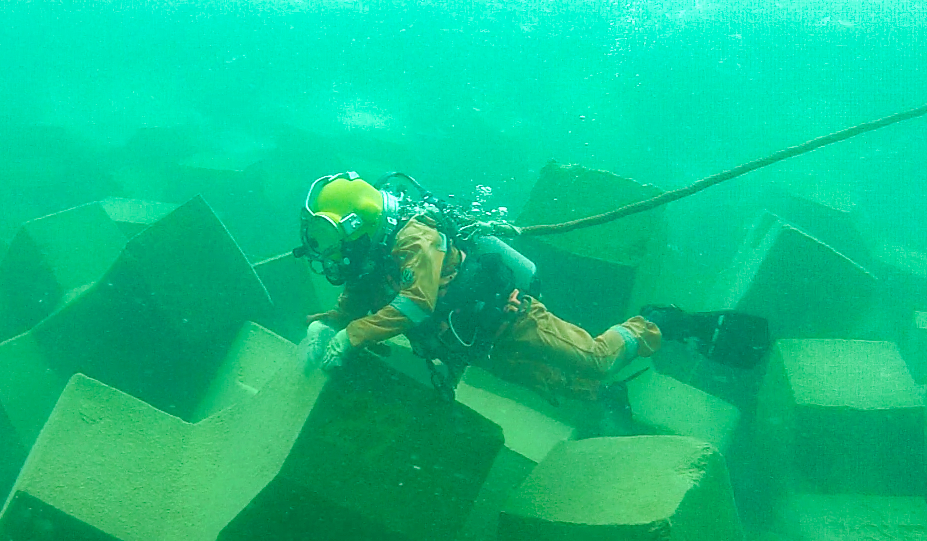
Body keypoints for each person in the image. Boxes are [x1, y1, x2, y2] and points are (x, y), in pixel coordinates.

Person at [295, 171, 768, 407]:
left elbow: (416, 304)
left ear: (360, 224)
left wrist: (351, 337)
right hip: (477, 344)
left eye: (334, 239)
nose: (331, 254)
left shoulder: (414, 238)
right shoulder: (371, 258)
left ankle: (657, 322)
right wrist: (325, 326)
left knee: (595, 360)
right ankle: (609, 397)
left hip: (512, 319)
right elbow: (352, 304)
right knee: (559, 386)